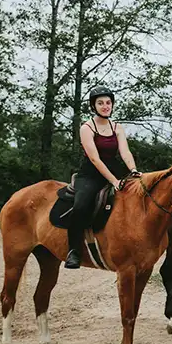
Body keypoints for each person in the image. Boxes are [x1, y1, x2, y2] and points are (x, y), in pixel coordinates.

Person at [65, 86, 141, 269]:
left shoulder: (117, 127)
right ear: (94, 106)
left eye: (108, 103)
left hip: (115, 170)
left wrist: (133, 170)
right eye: (100, 103)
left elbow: (125, 151)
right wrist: (113, 181)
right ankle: (73, 251)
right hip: (90, 174)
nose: (105, 106)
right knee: (81, 205)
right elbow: (94, 158)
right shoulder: (87, 127)